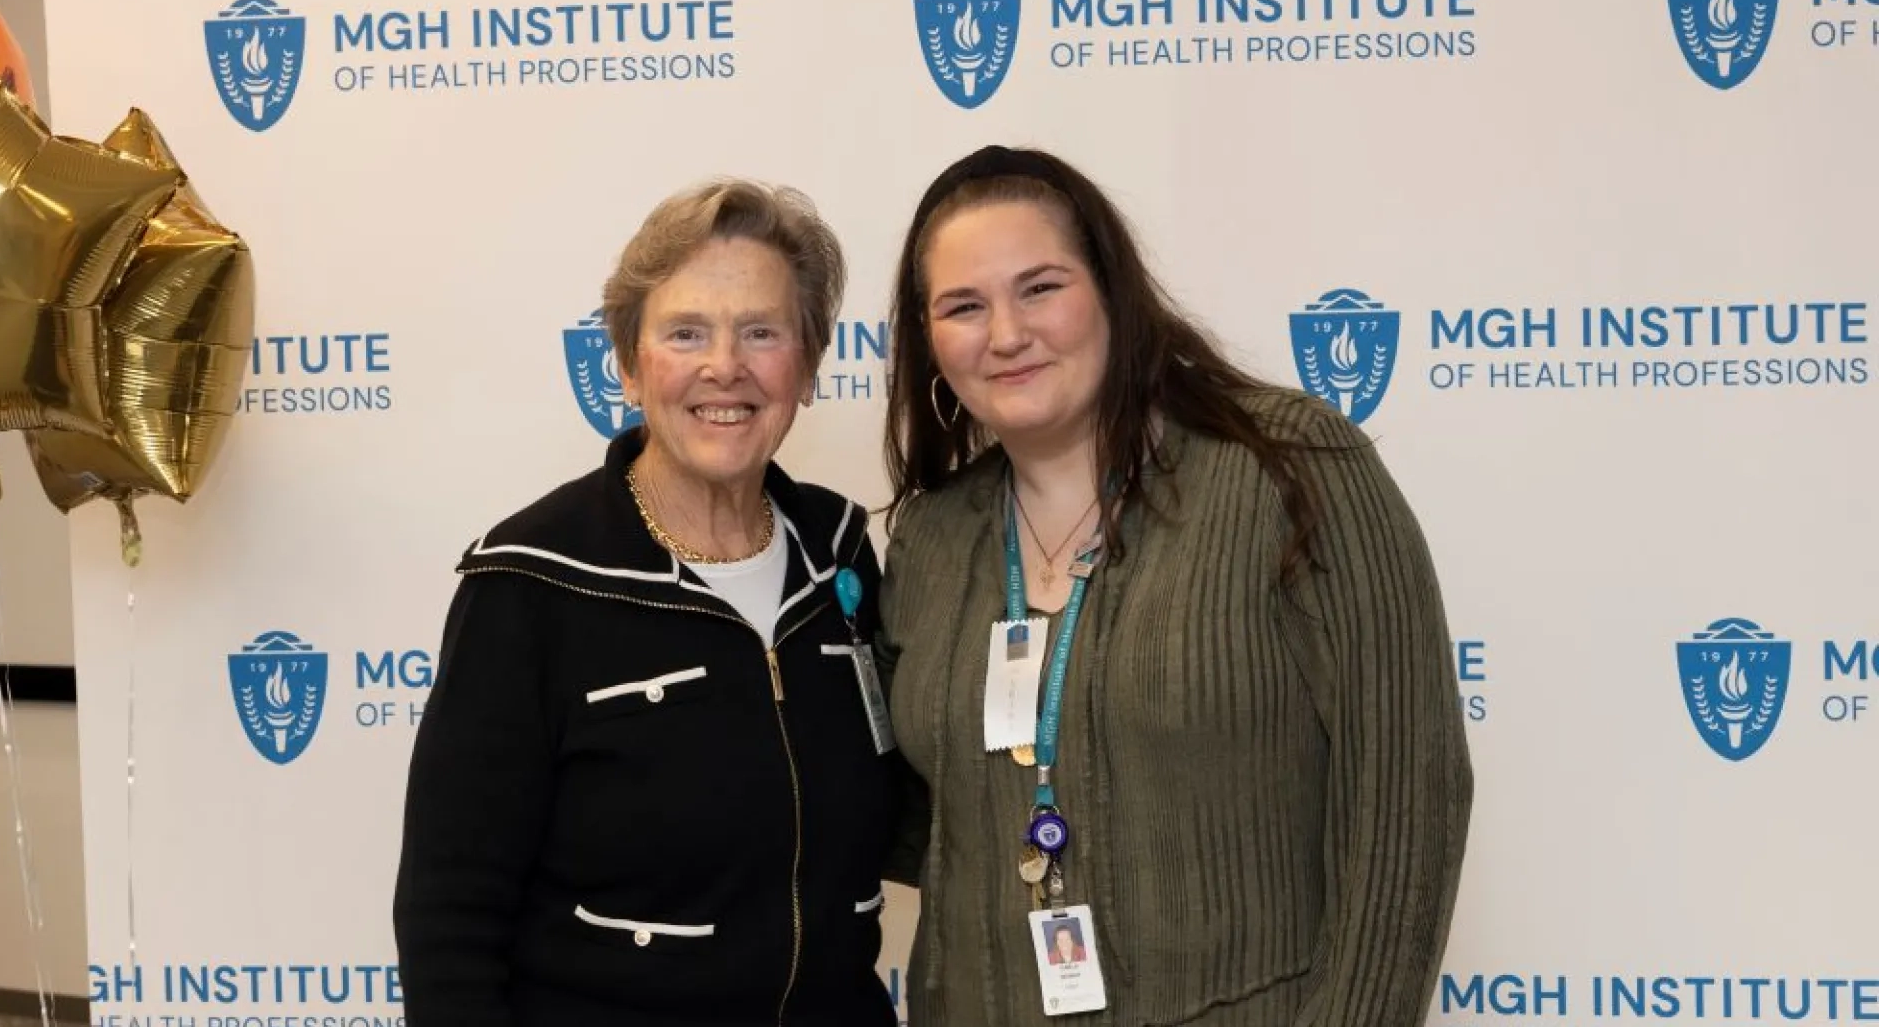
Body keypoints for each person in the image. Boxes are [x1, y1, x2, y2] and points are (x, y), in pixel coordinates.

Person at [875, 144, 1474, 1025]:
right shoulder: (931, 539)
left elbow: (1406, 803)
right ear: (930, 344)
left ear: (1113, 292)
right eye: (964, 306)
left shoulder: (1291, 469)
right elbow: (925, 826)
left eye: (1040, 287)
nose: (1005, 334)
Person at [393, 179, 902, 1027]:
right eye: (686, 333)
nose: (724, 366)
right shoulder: (529, 582)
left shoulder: (841, 553)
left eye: (762, 332)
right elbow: (449, 916)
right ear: (630, 366)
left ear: (808, 366)